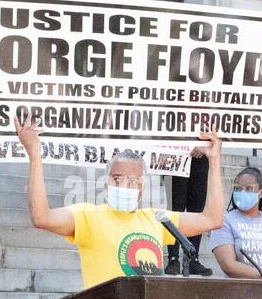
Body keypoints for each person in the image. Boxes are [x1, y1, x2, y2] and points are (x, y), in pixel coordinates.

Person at [14, 115, 224, 289]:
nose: (125, 185)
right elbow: (42, 217)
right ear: (107, 184)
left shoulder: (157, 220)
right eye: (117, 179)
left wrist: (214, 161)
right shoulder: (89, 216)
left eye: (133, 181)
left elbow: (212, 219)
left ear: (141, 187)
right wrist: (35, 155)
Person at [208, 166, 262, 281]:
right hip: (239, 294)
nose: (242, 192)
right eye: (237, 188)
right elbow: (228, 265)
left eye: (249, 188)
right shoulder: (223, 221)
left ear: (261, 193)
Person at [166, 152, 213, 276]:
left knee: (197, 208)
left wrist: (202, 145)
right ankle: (173, 259)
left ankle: (193, 259)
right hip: (175, 152)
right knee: (174, 209)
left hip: (201, 155)